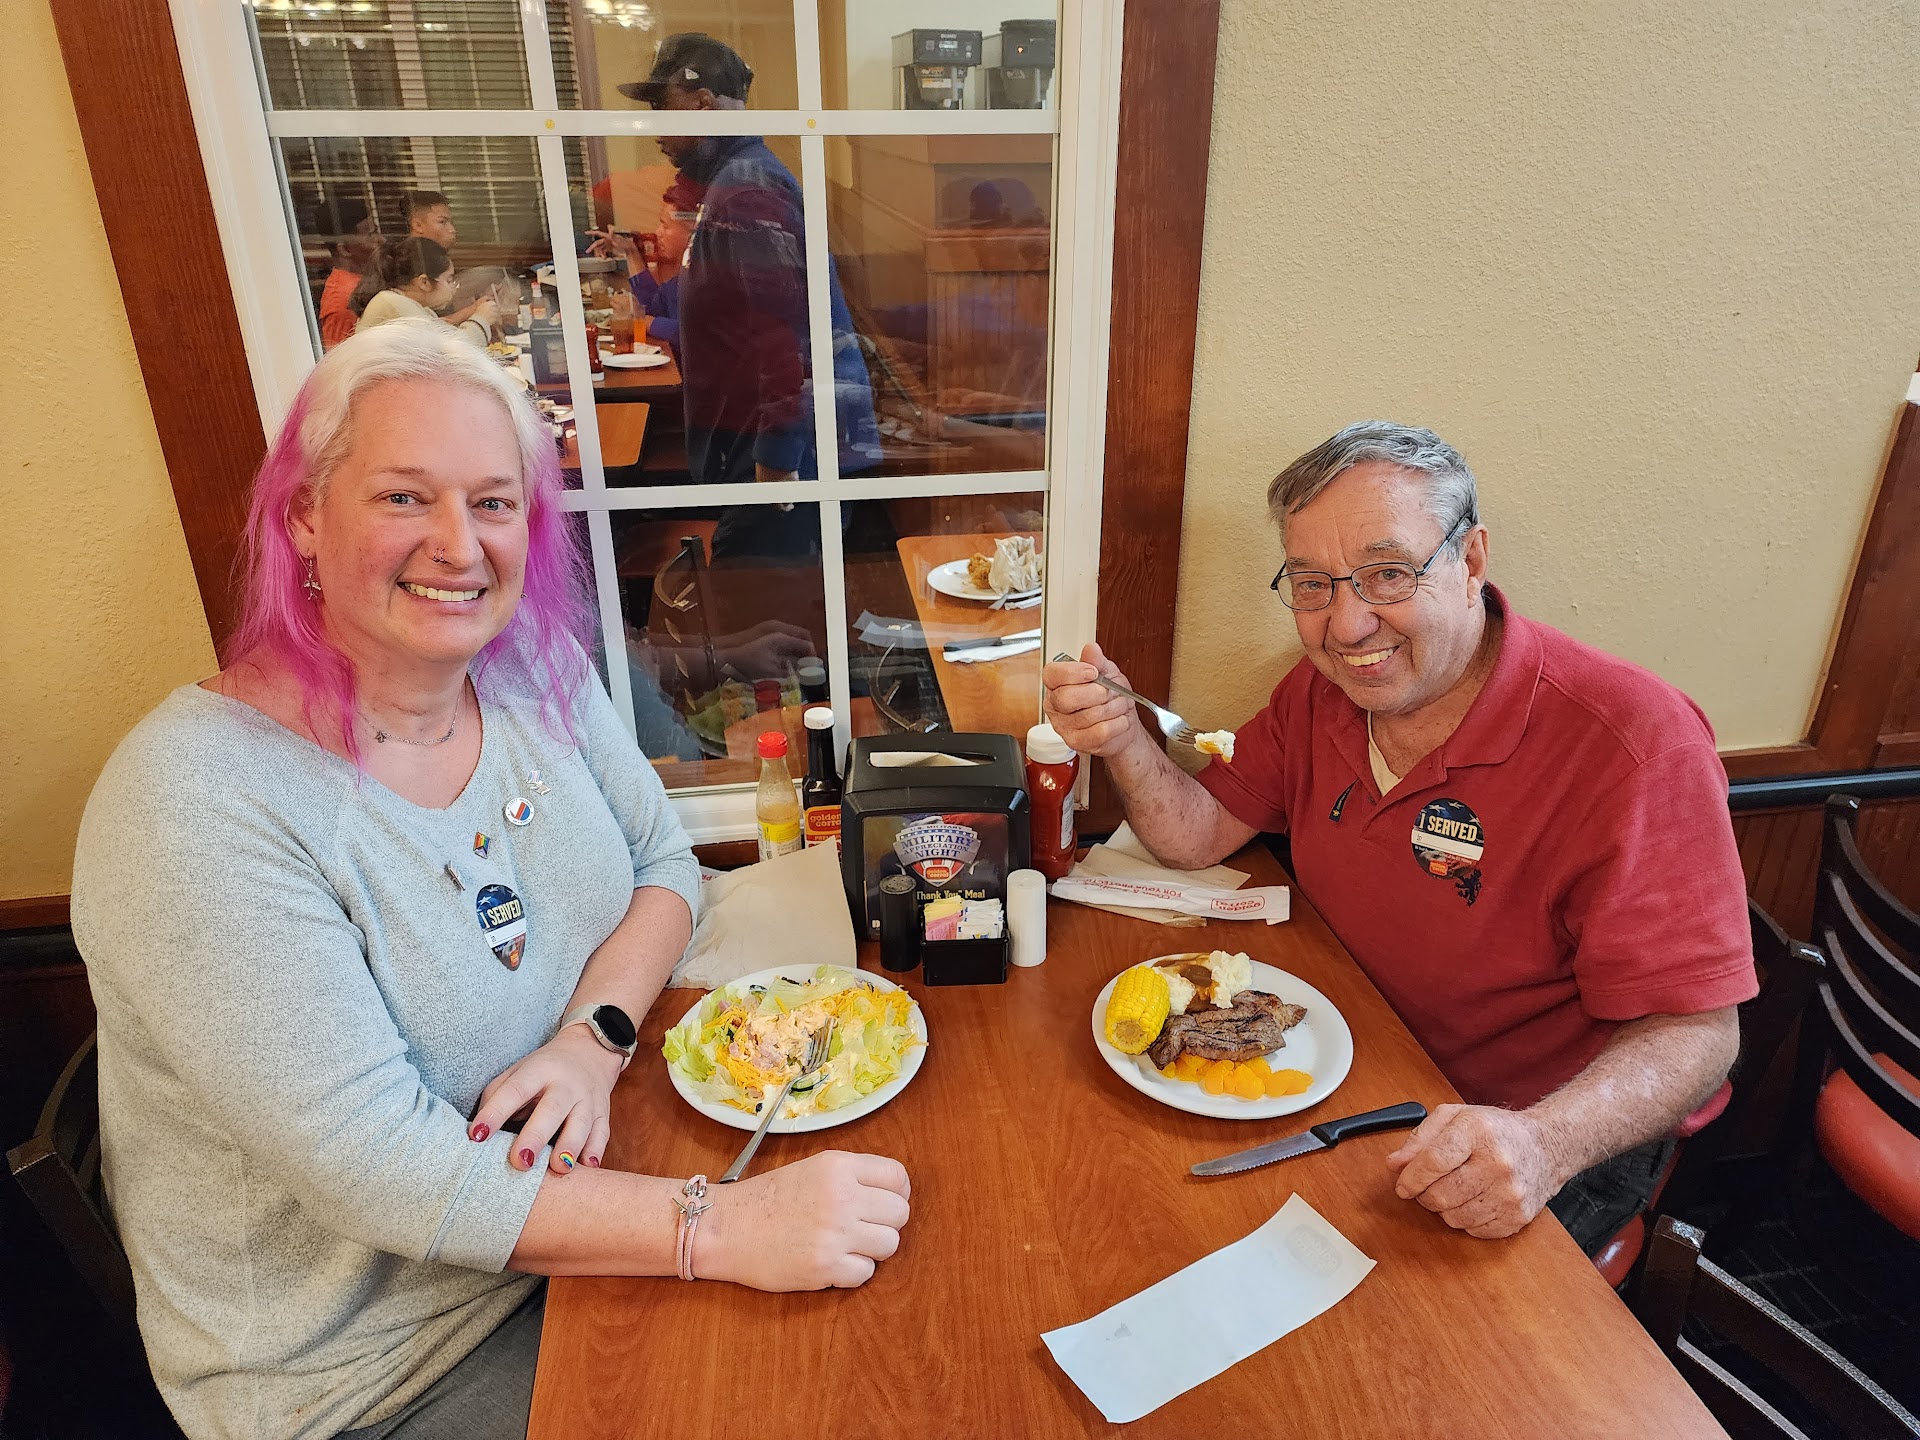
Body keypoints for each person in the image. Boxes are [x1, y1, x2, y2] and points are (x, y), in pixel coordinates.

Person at [70, 320, 912, 1439]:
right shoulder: (194, 803)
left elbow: (662, 866)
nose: (459, 546)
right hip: (387, 1371)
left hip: (593, 1206)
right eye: (404, 497)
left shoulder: (529, 668)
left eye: (494, 502)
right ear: (305, 515)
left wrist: (592, 1040)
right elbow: (382, 1169)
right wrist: (716, 1226)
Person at [1042, 421, 1756, 1255]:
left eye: (1388, 573)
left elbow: (1701, 1033)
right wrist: (1124, 738)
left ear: (1472, 561)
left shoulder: (1636, 744)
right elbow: (1196, 836)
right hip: (1353, 1067)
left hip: (1540, 1130)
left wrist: (1544, 1140)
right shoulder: (1321, 693)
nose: (1346, 627)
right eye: (1312, 584)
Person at [619, 33, 880, 558]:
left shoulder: (746, 192)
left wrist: (777, 458)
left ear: (701, 102)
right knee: (768, 596)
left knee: (763, 596)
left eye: (661, 107)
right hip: (765, 440)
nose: (654, 129)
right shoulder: (733, 182)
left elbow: (788, 335)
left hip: (783, 453)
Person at [591, 171, 704, 349]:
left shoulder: (713, 277)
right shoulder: (682, 277)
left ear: (693, 232)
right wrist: (630, 251)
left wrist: (643, 321)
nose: (658, 232)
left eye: (665, 225)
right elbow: (652, 305)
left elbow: (696, 333)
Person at [358, 237, 497, 346]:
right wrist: (481, 320)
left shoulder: (398, 300)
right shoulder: (395, 304)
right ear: (424, 282)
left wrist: (474, 309)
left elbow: (439, 329)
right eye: (449, 280)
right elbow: (451, 353)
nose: (453, 286)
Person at [317, 197, 378, 350]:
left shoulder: (368, 278)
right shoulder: (342, 302)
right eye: (370, 235)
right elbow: (341, 360)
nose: (381, 240)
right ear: (344, 249)